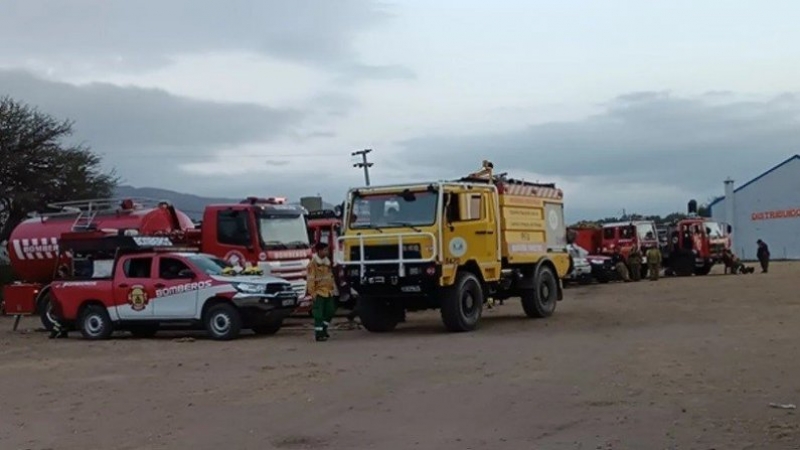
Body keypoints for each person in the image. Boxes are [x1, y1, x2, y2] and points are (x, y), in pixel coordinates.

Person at [307, 242, 337, 341]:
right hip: (318, 292)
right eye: (325, 250)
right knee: (318, 315)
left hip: (328, 291)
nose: (327, 252)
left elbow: (330, 277)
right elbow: (311, 279)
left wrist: (333, 289)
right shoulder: (313, 264)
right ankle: (319, 334)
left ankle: (323, 329)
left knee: (330, 311)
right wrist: (312, 293)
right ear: (319, 251)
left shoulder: (327, 262)